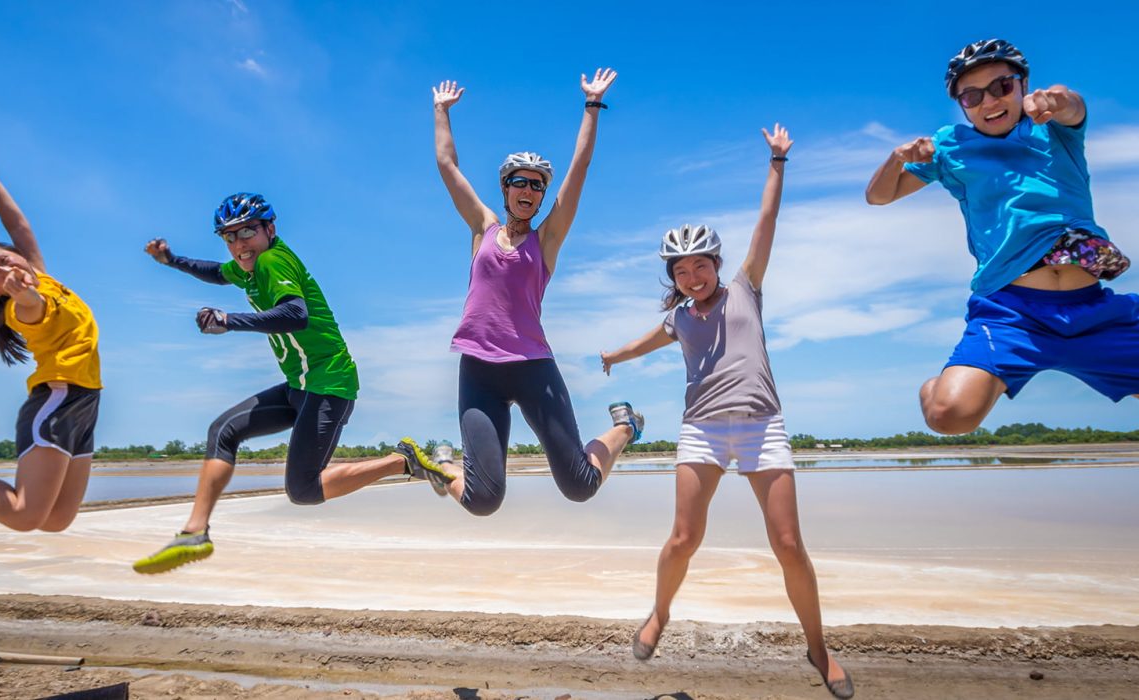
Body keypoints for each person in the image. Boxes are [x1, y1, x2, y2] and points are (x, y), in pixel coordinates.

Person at [601, 126, 853, 699]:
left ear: (716, 263)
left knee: (789, 544)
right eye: (681, 271)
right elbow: (649, 339)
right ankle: (660, 614)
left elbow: (766, 223)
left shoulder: (746, 288)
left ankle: (818, 647)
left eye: (700, 266)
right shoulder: (680, 318)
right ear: (674, 278)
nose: (692, 277)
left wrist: (777, 162)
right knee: (683, 539)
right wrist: (616, 353)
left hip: (763, 427)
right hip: (702, 432)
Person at [132, 193, 449, 574]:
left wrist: (229, 321)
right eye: (228, 237)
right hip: (298, 384)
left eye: (247, 231)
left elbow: (294, 314)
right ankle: (194, 532)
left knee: (304, 490)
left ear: (270, 229)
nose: (238, 245)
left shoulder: (272, 260)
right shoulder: (247, 266)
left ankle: (403, 461)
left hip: (329, 383)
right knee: (223, 430)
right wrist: (172, 260)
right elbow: (217, 272)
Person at [865, 38, 1138, 433]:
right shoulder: (951, 148)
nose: (989, 102)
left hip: (1094, 311)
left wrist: (1058, 101)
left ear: (1023, 85)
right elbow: (878, 196)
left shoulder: (1054, 131)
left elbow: (1072, 104)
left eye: (1001, 87)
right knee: (948, 417)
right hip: (1012, 312)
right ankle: (935, 389)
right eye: (971, 96)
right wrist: (897, 158)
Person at [429, 69, 643, 516]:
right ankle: (439, 466)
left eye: (537, 184)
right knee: (483, 499)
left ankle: (624, 426)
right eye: (520, 181)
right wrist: (441, 111)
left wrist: (592, 106)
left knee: (580, 486)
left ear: (543, 195)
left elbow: (579, 170)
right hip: (479, 371)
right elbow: (448, 167)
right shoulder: (482, 228)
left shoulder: (546, 241)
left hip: (532, 368)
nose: (529, 189)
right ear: (505, 188)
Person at [0, 153, 102, 533]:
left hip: (86, 402)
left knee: (56, 520)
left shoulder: (40, 274)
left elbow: (18, 225)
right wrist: (21, 294)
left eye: (1, 259)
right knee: (25, 515)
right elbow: (32, 305)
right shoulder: (22, 308)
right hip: (58, 399)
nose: (4, 269)